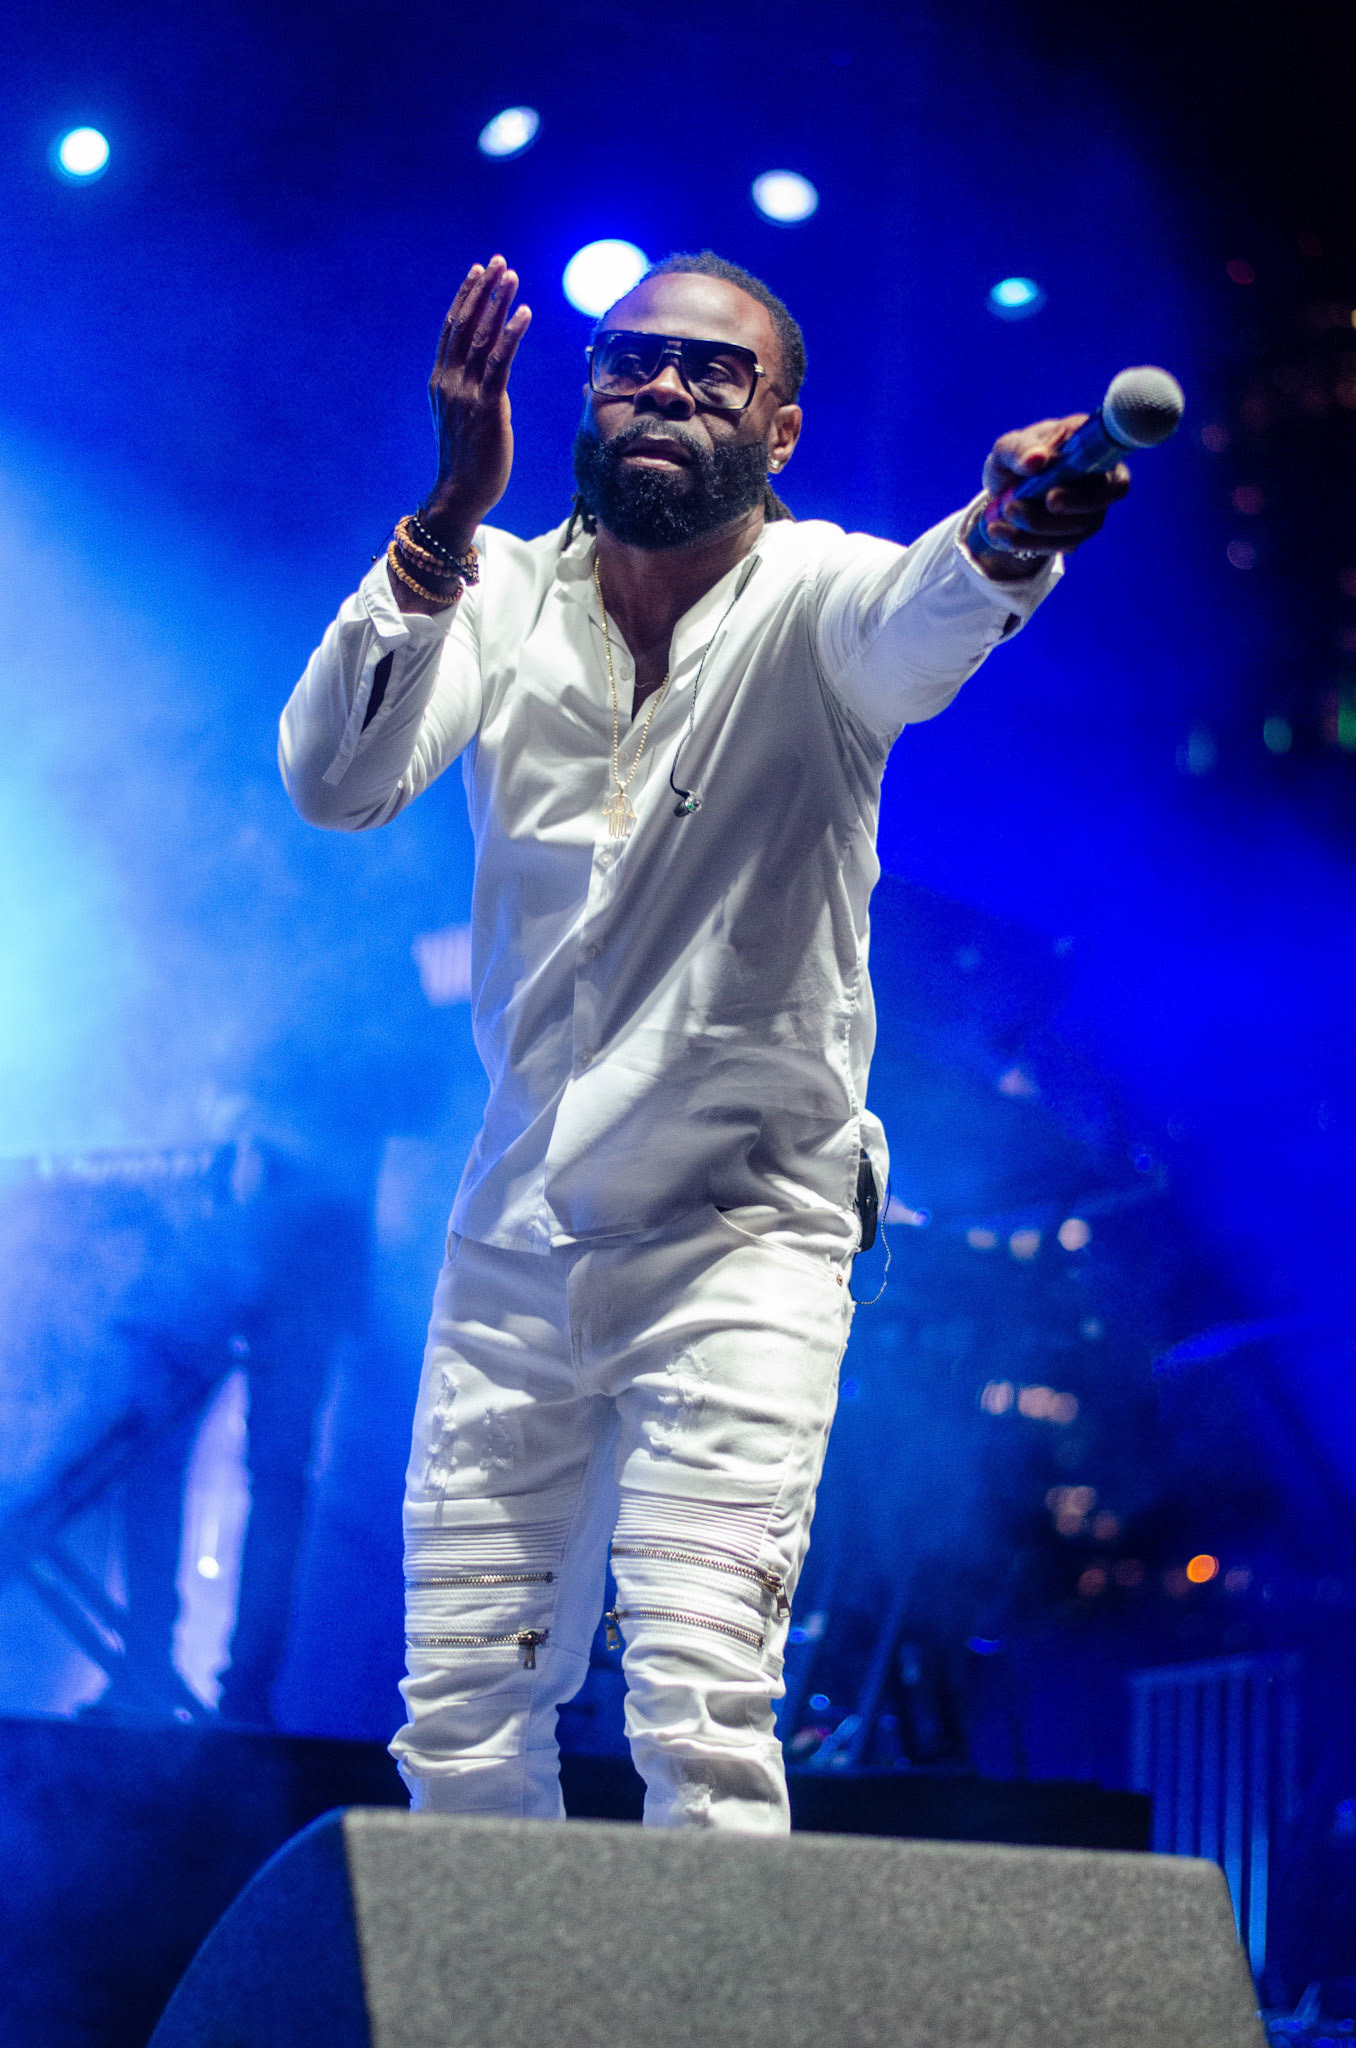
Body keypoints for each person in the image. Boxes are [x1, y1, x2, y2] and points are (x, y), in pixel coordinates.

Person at [279, 250, 1128, 1830]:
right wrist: (448, 517)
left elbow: (940, 601)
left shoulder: (826, 608)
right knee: (462, 1724)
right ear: (584, 394)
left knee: (698, 1701)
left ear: (782, 429)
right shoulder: (499, 590)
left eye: (713, 370)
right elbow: (335, 780)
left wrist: (1015, 530)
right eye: (631, 361)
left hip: (745, 1240)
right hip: (516, 1238)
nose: (665, 386)